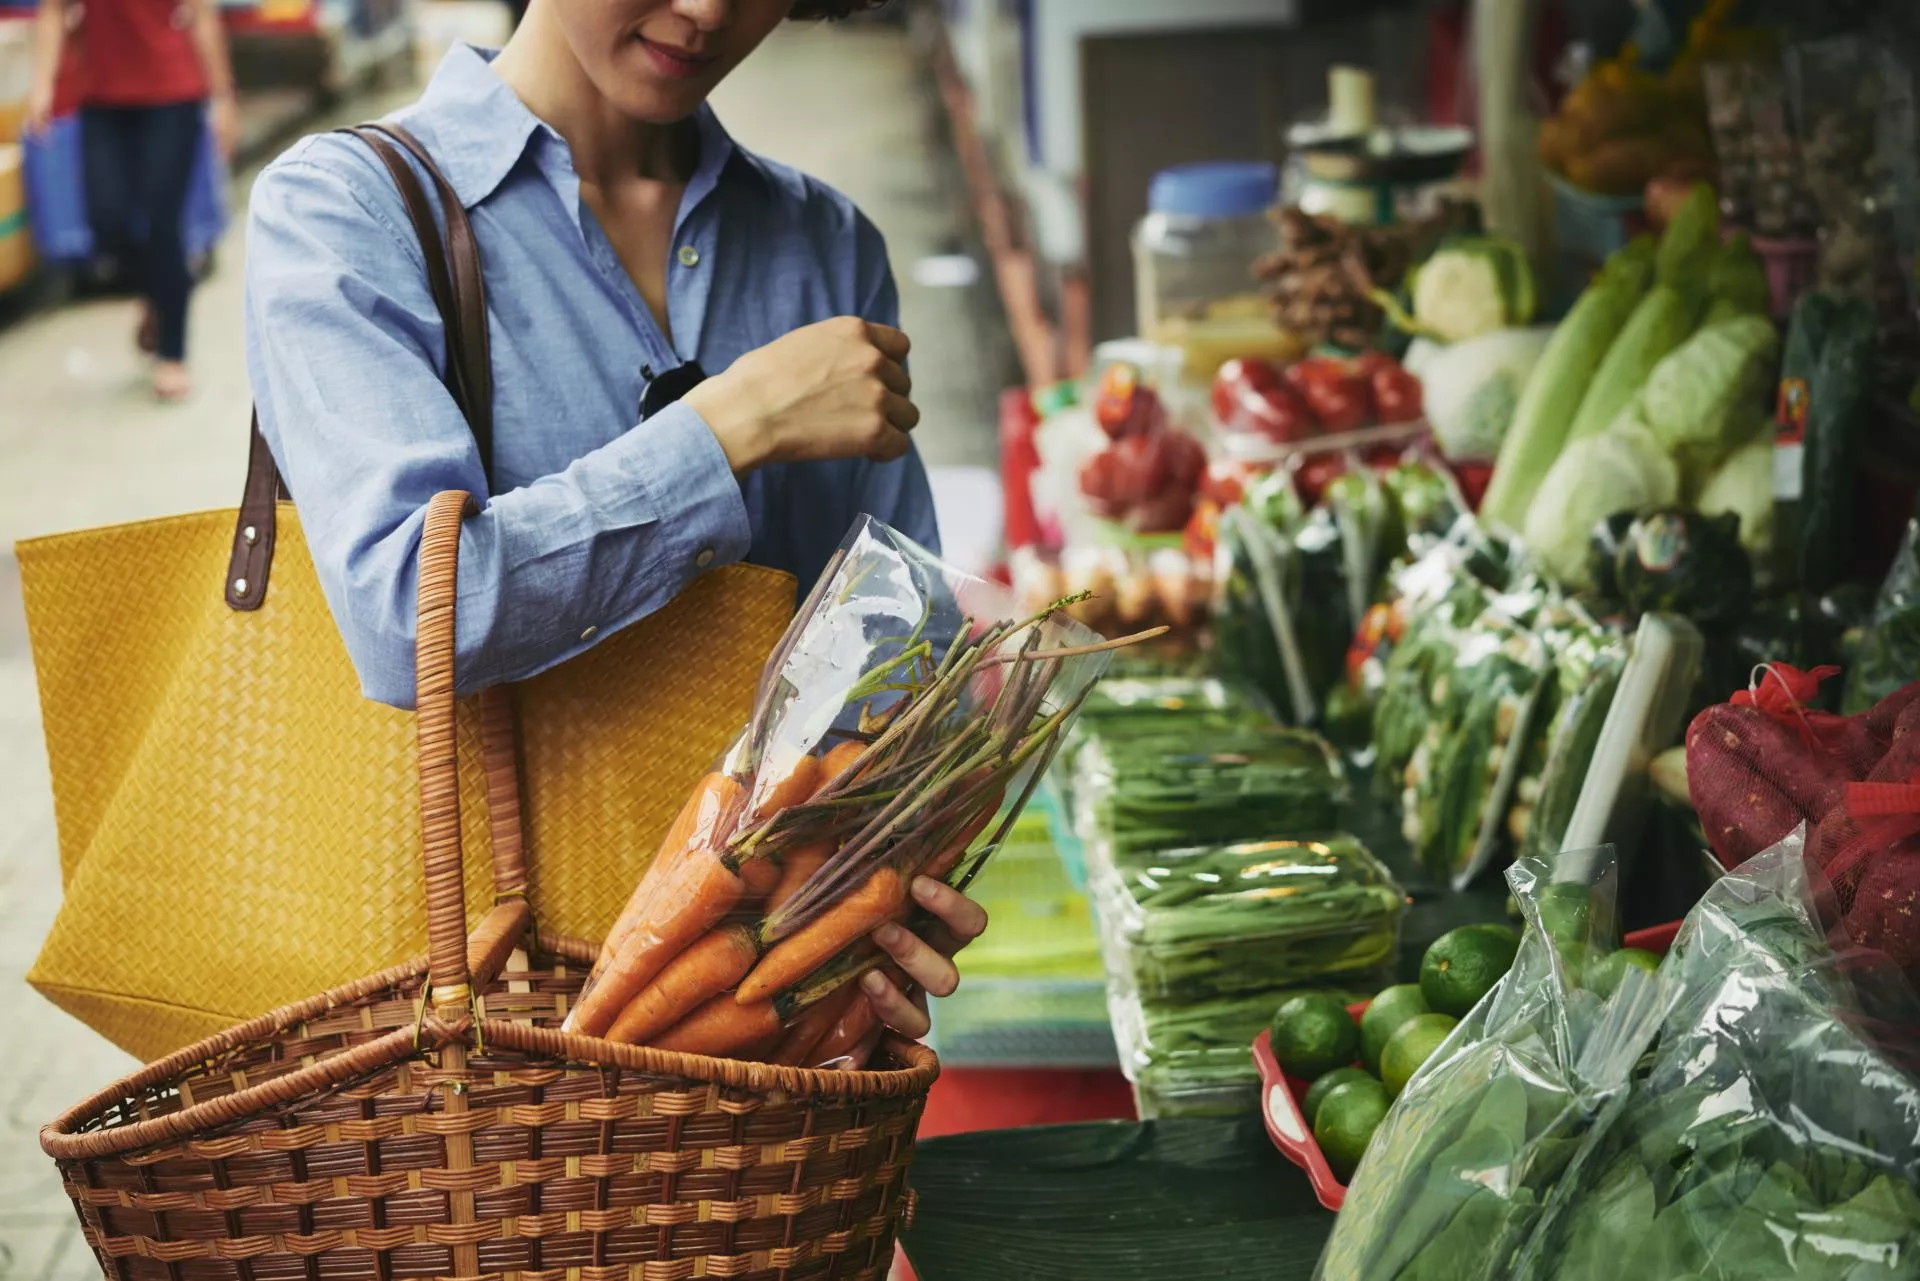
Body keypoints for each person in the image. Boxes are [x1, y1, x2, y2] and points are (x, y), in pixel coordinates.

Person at [243, 0, 972, 1043]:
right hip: (468, 1046)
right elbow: (410, 621)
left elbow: (902, 659)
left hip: (771, 1027)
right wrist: (729, 428)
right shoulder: (346, 210)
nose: (709, 9)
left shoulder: (823, 242)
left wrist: (898, 870)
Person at [25, 0, 238, 401]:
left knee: (162, 220)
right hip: (103, 98)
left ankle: (172, 355)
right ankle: (158, 291)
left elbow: (201, 14)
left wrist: (223, 98)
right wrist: (42, 86)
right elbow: (53, 11)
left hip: (174, 93)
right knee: (106, 223)